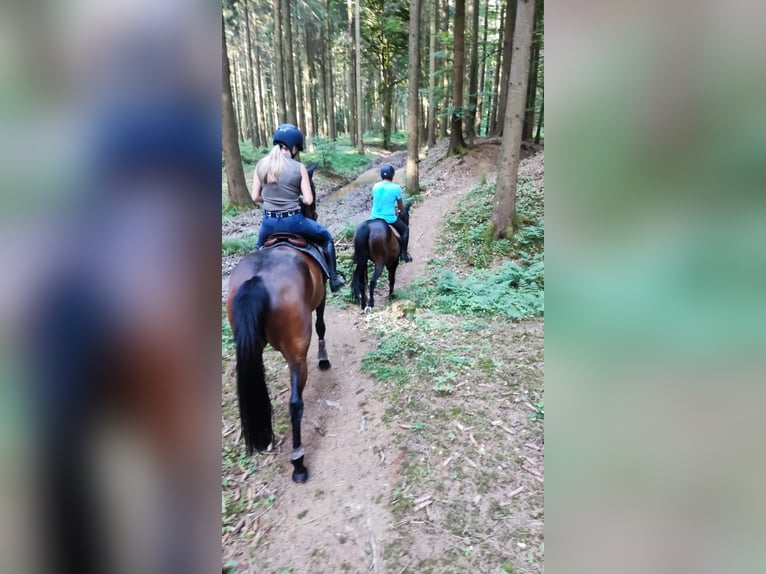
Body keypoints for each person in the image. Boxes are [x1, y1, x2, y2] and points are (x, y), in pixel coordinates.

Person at [251, 123, 346, 292]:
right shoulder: (299, 168)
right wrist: (297, 197)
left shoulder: (261, 165)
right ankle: (334, 279)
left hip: (268, 224)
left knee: (259, 249)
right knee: (326, 237)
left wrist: (273, 198)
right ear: (293, 146)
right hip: (294, 222)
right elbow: (309, 200)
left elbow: (255, 196)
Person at [369, 164, 412, 262]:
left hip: (374, 217)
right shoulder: (396, 188)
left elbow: (374, 199)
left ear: (381, 175)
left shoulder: (375, 186)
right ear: (392, 175)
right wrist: (400, 211)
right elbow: (400, 204)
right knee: (405, 230)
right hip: (389, 218)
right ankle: (403, 255)